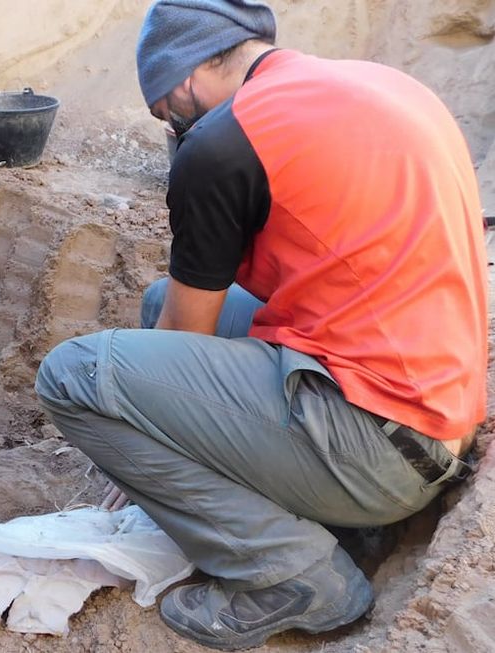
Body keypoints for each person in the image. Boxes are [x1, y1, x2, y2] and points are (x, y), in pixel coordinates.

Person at [35, 1, 487, 650]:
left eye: (164, 115)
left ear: (183, 83)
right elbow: (186, 308)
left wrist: (136, 445)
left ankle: (295, 574)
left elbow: (185, 336)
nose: (170, 129)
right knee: (159, 300)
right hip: (439, 411)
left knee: (74, 376)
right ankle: (318, 509)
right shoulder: (373, 84)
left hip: (380, 448)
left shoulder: (222, 145)